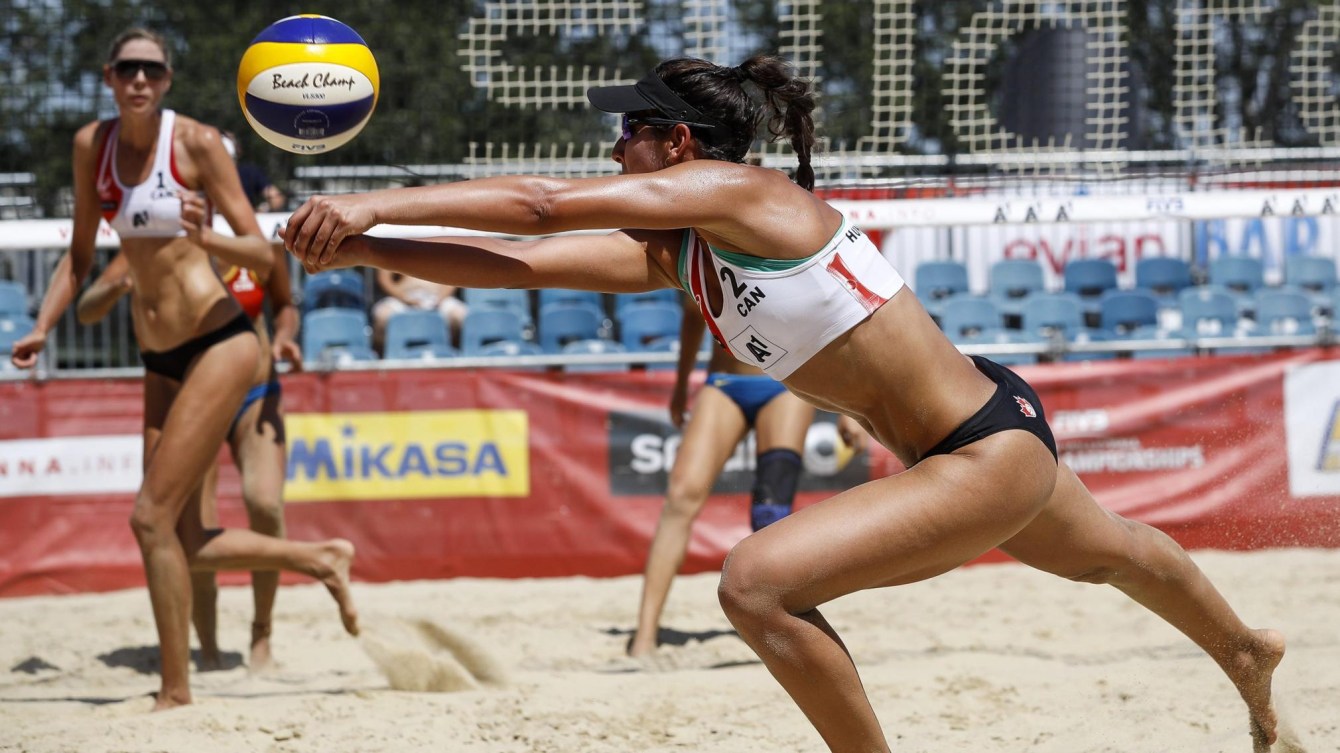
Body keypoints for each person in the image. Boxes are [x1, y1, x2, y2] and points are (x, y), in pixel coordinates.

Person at [284, 55, 1284, 750]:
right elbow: (519, 261)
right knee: (1104, 553)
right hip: (982, 434)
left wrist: (376, 200)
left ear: (675, 144)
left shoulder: (746, 194)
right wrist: (363, 248)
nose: (613, 146)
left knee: (756, 584)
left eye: (626, 131)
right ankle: (1244, 651)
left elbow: (542, 205)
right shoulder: (684, 251)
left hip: (978, 449)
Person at [10, 27, 357, 710]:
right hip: (157, 357)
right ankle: (321, 559)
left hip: (222, 342)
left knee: (153, 518)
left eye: (153, 70)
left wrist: (205, 237)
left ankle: (178, 688)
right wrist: (43, 325)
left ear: (167, 80)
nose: (139, 80)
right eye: (127, 70)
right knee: (176, 531)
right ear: (109, 78)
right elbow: (80, 257)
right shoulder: (92, 147)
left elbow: (266, 260)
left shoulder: (194, 143)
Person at [76, 240, 301, 672]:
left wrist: (284, 338)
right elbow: (87, 309)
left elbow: (284, 305)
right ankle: (210, 649)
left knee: (265, 504)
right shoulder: (154, 242)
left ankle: (261, 635)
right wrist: (116, 287)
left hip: (254, 388)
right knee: (193, 528)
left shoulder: (257, 245)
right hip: (190, 397)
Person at [627, 296, 828, 658]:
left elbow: (827, 313)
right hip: (724, 382)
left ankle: (775, 622)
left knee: (771, 511)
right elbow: (692, 316)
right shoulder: (703, 247)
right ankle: (644, 636)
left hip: (785, 383)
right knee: (681, 498)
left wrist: (848, 409)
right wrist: (681, 385)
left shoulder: (780, 246)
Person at [370, 269, 468, 353]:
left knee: (460, 315)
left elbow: (453, 277)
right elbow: (384, 279)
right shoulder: (398, 247)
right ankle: (385, 359)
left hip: (437, 298)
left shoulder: (444, 249)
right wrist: (403, 298)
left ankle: (452, 356)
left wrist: (440, 299)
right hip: (403, 298)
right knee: (383, 316)